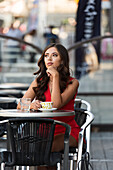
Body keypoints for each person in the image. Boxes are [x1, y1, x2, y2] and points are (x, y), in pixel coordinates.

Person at [17, 43, 80, 170]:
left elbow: (56, 105)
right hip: (43, 130)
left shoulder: (72, 83)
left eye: (54, 55)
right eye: (46, 56)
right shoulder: (39, 81)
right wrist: (30, 105)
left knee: (43, 147)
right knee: (29, 145)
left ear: (62, 60)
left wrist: (55, 76)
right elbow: (21, 104)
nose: (49, 59)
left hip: (66, 131)